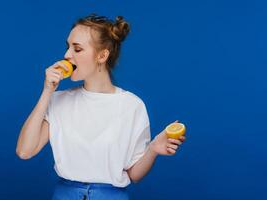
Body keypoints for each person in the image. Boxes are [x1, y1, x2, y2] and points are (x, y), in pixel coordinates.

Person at [16, 13, 186, 200]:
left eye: (77, 49)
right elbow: (25, 151)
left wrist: (153, 148)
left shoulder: (132, 106)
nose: (66, 55)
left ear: (102, 55)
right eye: (67, 47)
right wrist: (47, 91)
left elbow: (133, 174)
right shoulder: (58, 100)